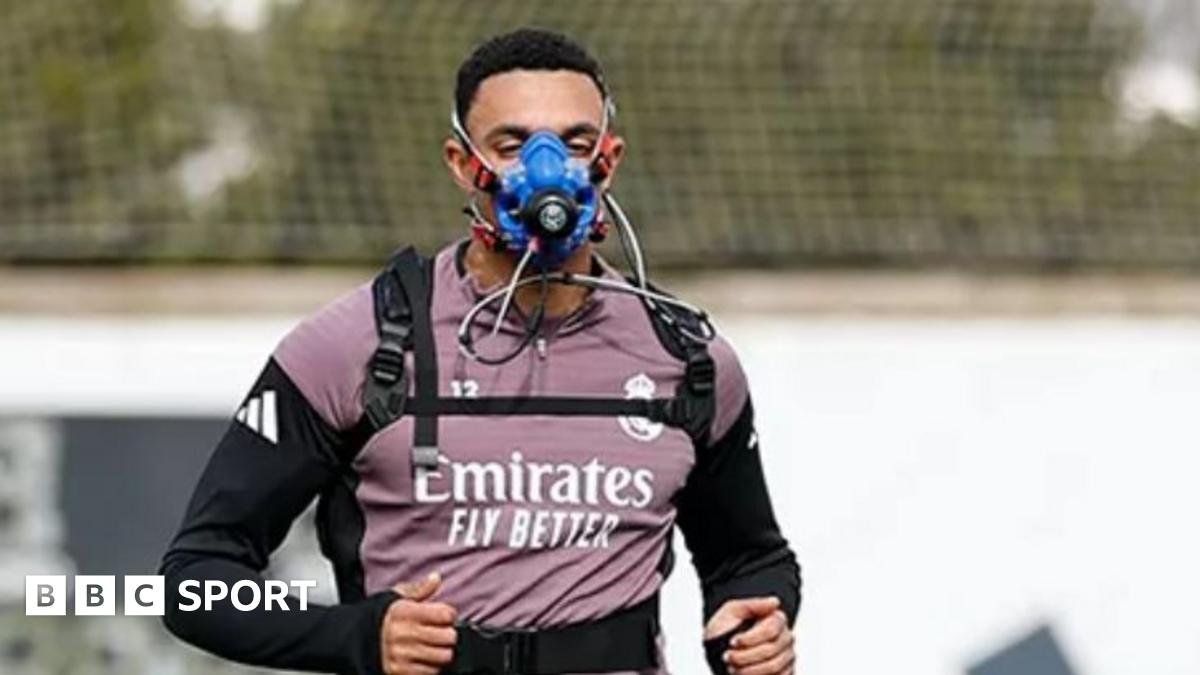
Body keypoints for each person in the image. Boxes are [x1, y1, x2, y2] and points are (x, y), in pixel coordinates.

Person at [159, 27, 800, 675]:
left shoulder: (688, 357)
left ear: (610, 158)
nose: (547, 172)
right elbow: (195, 581)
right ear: (463, 162)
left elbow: (749, 559)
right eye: (513, 145)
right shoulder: (355, 345)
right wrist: (355, 634)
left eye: (575, 144)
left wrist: (749, 627)